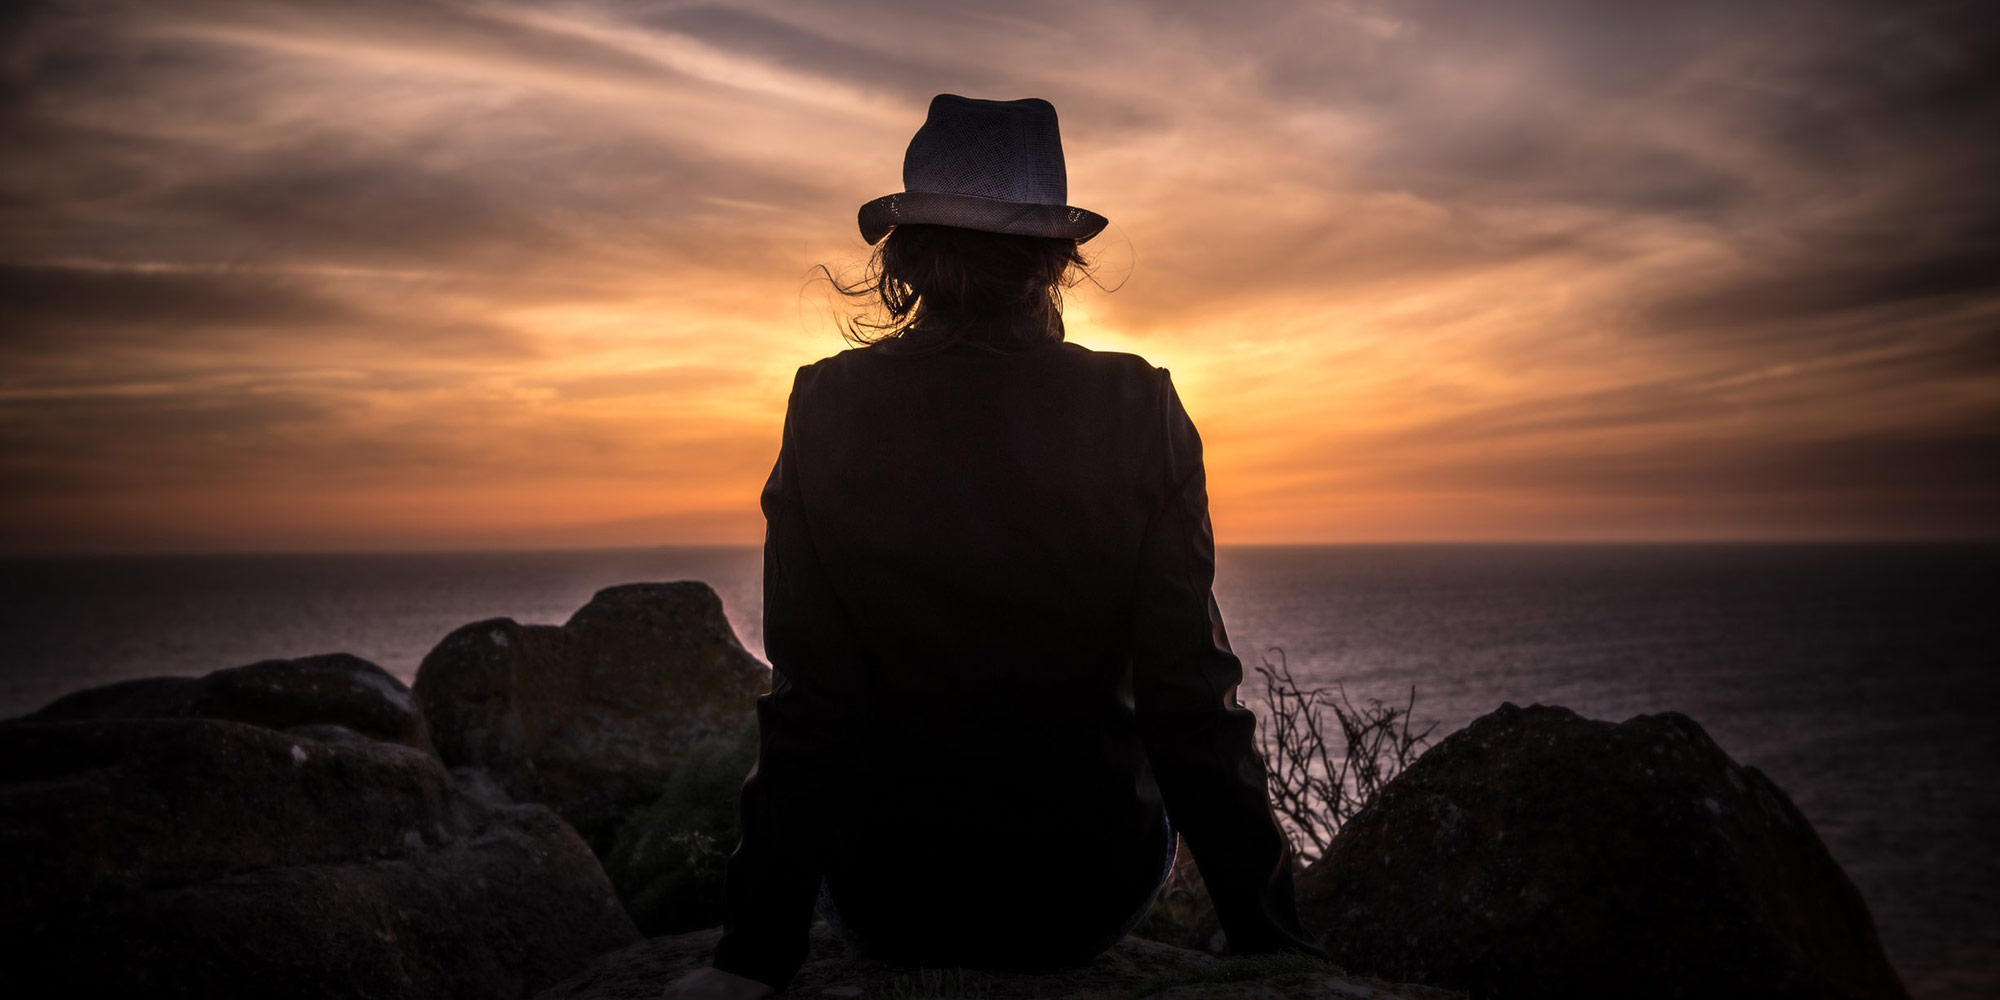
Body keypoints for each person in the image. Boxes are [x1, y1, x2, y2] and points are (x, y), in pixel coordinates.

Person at [664, 94, 1325, 1000]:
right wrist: (1272, 940)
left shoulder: (826, 405)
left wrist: (750, 957)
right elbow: (1188, 697)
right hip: (1085, 895)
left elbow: (812, 703)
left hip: (889, 899)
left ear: (903, 257)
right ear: (1056, 258)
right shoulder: (1140, 406)